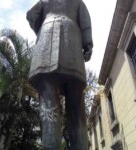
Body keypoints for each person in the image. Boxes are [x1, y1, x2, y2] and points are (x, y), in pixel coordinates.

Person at [26, 0, 93, 149]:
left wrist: (42, 28)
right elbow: (85, 23)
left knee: (49, 106)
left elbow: (31, 15)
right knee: (76, 107)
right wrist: (87, 44)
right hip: (72, 47)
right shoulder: (78, 2)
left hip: (46, 45)